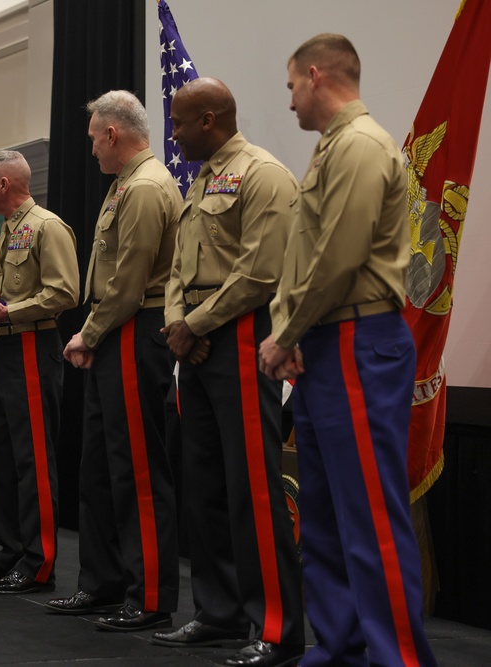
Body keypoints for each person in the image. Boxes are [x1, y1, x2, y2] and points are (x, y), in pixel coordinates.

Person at [259, 34, 438, 667]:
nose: (289, 103)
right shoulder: (331, 149)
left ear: (315, 75)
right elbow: (301, 258)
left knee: (369, 517)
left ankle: (398, 660)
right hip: (327, 341)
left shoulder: (360, 146)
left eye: (290, 88)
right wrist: (294, 332)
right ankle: (338, 649)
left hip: (359, 339)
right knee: (328, 517)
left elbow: (338, 257)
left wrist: (286, 334)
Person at [151, 78, 305, 667]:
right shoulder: (204, 178)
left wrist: (197, 324)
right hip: (196, 339)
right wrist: (176, 324)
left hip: (241, 334)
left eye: (180, 124)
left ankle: (278, 627)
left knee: (252, 490)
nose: (174, 134)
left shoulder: (263, 174)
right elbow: (177, 271)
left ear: (210, 120)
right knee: (206, 489)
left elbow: (262, 273)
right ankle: (218, 613)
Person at [53, 90, 181, 632]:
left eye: (92, 140)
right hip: (114, 334)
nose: (90, 152)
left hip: (132, 329)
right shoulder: (124, 185)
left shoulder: (148, 186)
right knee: (100, 469)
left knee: (137, 472)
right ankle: (102, 584)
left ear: (112, 133)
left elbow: (128, 285)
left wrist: (88, 333)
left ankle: (149, 596)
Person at [0, 150, 79, 595]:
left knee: (33, 461)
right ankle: (8, 552)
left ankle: (38, 562)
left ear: (5, 184)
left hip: (32, 345)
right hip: (4, 349)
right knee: (4, 458)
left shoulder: (48, 226)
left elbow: (66, 292)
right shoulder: (5, 229)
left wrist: (7, 313)